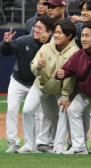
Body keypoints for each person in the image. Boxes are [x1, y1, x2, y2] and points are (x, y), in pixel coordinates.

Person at [21, 20, 79, 154]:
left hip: (60, 89)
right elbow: (33, 65)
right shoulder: (46, 47)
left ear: (69, 36)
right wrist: (37, 66)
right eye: (55, 32)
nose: (56, 35)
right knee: (27, 110)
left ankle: (59, 146)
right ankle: (30, 145)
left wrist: (65, 96)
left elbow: (70, 78)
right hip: (40, 85)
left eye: (60, 33)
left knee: (64, 112)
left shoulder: (75, 52)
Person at [55, 24, 91, 155]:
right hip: (88, 93)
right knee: (73, 109)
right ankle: (79, 146)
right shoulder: (80, 54)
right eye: (82, 36)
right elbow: (67, 68)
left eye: (87, 36)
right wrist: (60, 74)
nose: (83, 39)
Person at [2, 16, 55, 153]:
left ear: (49, 32)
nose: (36, 30)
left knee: (38, 114)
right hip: (18, 80)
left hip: (37, 83)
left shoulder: (53, 45)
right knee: (12, 109)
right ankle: (13, 142)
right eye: (35, 27)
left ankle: (35, 143)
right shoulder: (24, 40)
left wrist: (49, 41)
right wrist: (6, 43)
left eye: (40, 28)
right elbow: (6, 52)